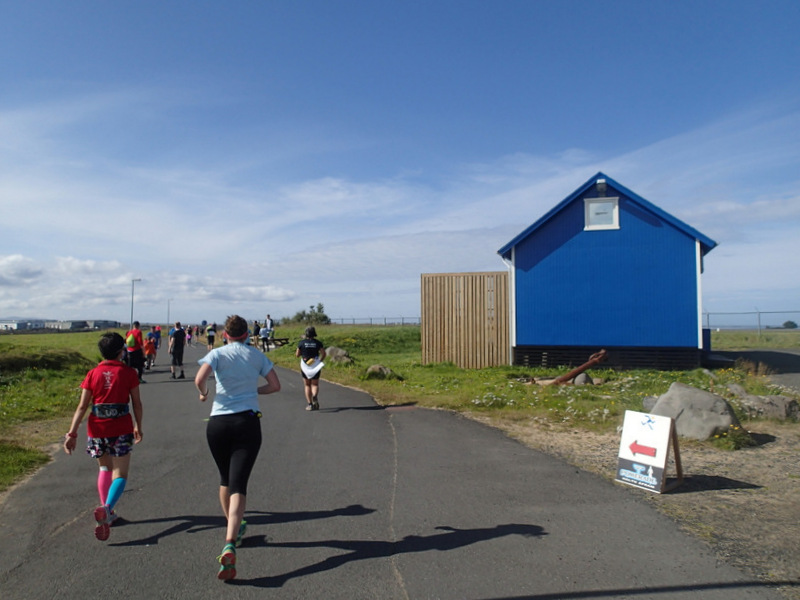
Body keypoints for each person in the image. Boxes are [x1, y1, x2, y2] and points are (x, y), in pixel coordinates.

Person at [194, 315, 281, 581]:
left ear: (225, 334)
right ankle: (230, 540)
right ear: (246, 335)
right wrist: (255, 393)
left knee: (225, 479)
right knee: (239, 484)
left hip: (218, 422)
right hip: (247, 421)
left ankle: (235, 526)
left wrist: (205, 393)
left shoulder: (218, 354)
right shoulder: (256, 356)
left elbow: (199, 379)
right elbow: (275, 385)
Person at [63, 332, 143, 541]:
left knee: (105, 468)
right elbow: (136, 403)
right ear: (121, 351)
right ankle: (107, 509)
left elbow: (82, 406)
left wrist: (72, 433)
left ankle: (108, 513)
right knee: (121, 474)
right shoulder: (129, 373)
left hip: (97, 428)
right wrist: (139, 425)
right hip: (121, 428)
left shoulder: (92, 374)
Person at [295, 326, 326, 411]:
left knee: (307, 385)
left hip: (305, 365)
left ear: (306, 333)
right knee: (315, 384)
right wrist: (320, 360)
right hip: (315, 364)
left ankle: (310, 404)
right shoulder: (318, 343)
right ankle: (315, 396)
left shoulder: (301, 343)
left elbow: (297, 355)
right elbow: (323, 353)